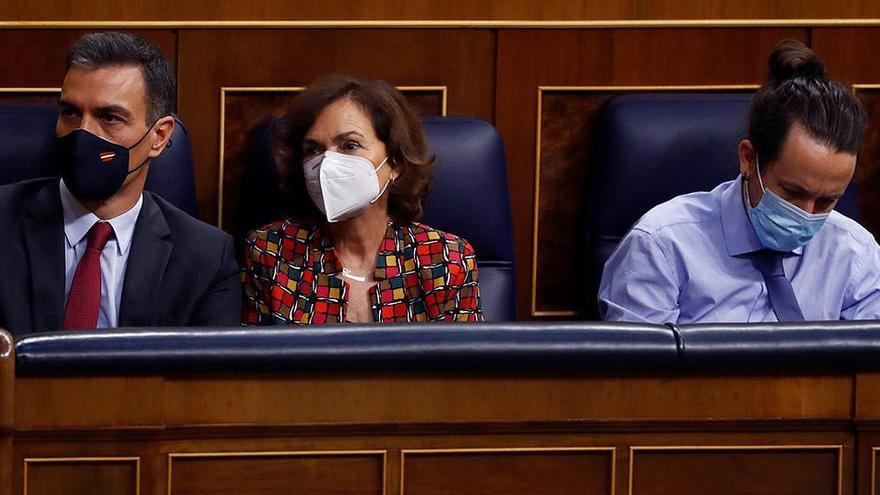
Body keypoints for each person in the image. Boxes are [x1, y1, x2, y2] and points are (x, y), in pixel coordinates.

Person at [599, 39, 880, 323]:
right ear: (748, 158)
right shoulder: (662, 246)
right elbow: (640, 366)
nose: (806, 214)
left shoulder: (856, 253)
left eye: (827, 200)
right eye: (792, 192)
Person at [0, 32, 241, 335]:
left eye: (110, 117)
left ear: (159, 136)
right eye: (70, 112)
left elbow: (206, 378)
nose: (83, 132)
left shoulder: (205, 258)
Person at [242, 75, 482, 324]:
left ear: (395, 163)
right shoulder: (271, 252)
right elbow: (254, 360)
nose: (326, 164)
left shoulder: (444, 259)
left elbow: (462, 361)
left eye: (350, 145)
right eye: (313, 149)